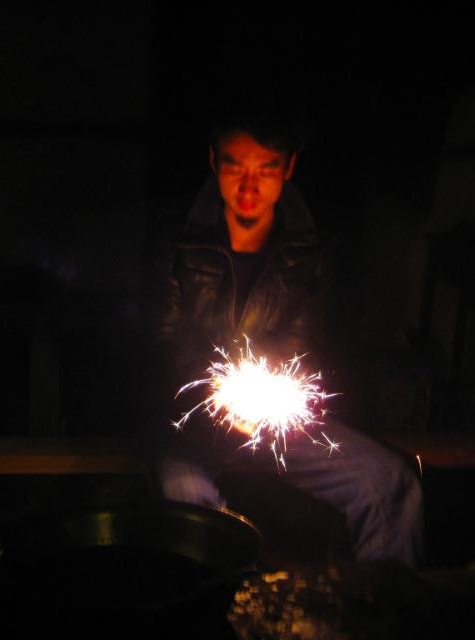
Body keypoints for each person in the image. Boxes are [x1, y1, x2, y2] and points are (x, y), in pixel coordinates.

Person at [139, 111, 423, 567]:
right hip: (189, 426)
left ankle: (378, 603)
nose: (249, 186)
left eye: (266, 169)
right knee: (192, 506)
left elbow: (299, 348)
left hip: (272, 424)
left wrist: (260, 404)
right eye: (236, 166)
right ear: (213, 162)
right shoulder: (176, 242)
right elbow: (166, 341)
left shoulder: (308, 251)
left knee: (388, 484)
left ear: (289, 167)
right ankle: (227, 603)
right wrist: (216, 397)